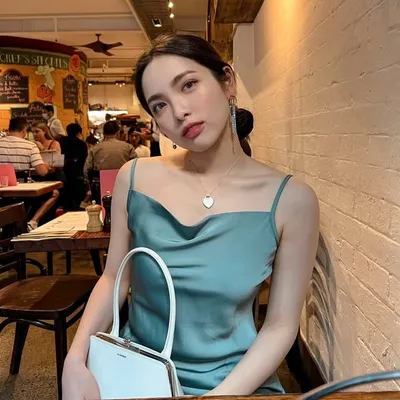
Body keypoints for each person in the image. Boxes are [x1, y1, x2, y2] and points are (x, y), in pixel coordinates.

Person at [62, 34, 319, 399]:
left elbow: (280, 325)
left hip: (235, 385)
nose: (179, 111)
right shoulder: (134, 178)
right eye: (160, 105)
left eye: (188, 85)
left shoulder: (292, 201)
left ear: (227, 82)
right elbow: (114, 277)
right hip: (138, 374)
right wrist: (76, 358)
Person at [0, 117, 58, 231]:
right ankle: (33, 222)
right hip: (22, 192)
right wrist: (46, 165)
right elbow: (42, 172)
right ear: (24, 130)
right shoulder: (30, 146)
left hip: (2, 192)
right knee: (54, 193)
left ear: (9, 129)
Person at [60, 123, 88, 210]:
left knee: (67, 197)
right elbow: (84, 159)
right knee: (78, 197)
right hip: (77, 172)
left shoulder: (61, 141)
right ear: (78, 132)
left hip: (64, 172)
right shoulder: (82, 144)